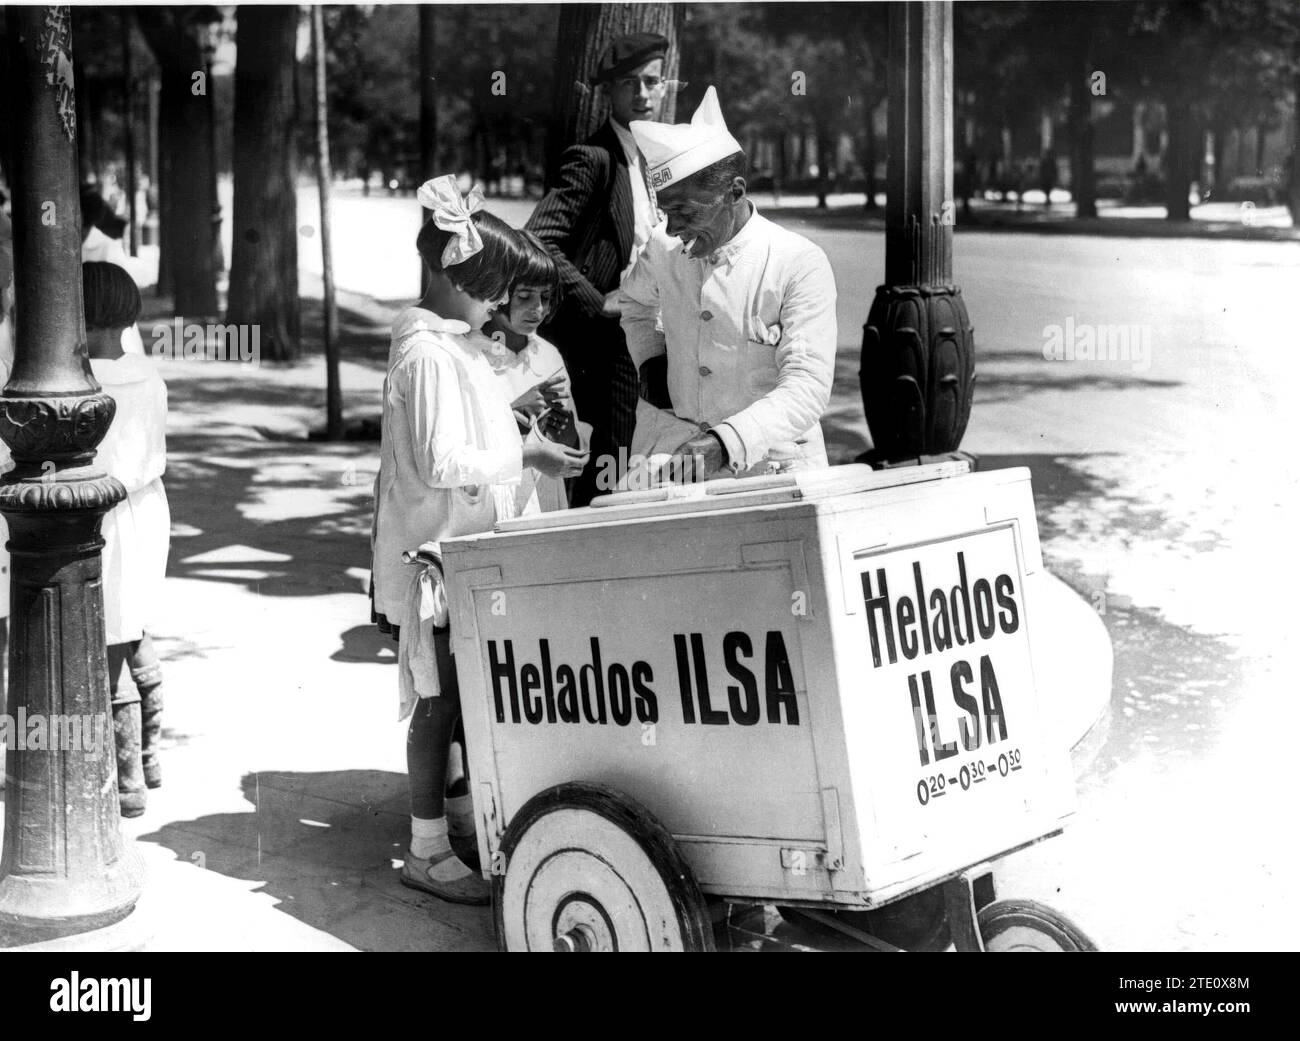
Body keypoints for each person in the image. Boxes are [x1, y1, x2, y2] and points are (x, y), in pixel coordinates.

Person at [371, 176, 587, 905]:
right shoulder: (429, 354)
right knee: (438, 706)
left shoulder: (450, 344)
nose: (498, 305)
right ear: (453, 276)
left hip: (461, 552)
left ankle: (453, 818)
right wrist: (523, 456)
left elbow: (465, 434)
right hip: (436, 558)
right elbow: (440, 460)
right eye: (491, 288)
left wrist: (517, 432)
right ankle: (426, 846)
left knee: (459, 701)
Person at [619, 86, 838, 484]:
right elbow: (635, 306)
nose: (673, 228)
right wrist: (651, 362)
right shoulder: (663, 247)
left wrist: (728, 442)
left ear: (734, 191)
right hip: (673, 456)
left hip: (772, 467)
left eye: (684, 211)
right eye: (666, 212)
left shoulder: (797, 263)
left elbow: (807, 386)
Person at [526, 31, 669, 504]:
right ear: (610, 91)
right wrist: (596, 303)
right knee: (610, 473)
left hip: (665, 336)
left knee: (656, 463)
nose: (644, 94)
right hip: (610, 349)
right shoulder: (594, 158)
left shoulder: (665, 154)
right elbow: (539, 239)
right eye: (631, 83)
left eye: (652, 81)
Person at [82, 261, 171, 817]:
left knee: (110, 638)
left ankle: (129, 779)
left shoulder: (81, 379)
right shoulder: (149, 376)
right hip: (147, 509)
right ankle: (153, 754)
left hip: (103, 513)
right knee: (135, 627)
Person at [466, 229, 584, 513]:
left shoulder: (547, 355)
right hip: (491, 503)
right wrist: (515, 411)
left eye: (545, 296)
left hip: (543, 501)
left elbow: (572, 448)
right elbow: (462, 444)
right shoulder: (470, 354)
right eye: (525, 296)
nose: (538, 309)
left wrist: (562, 422)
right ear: (498, 294)